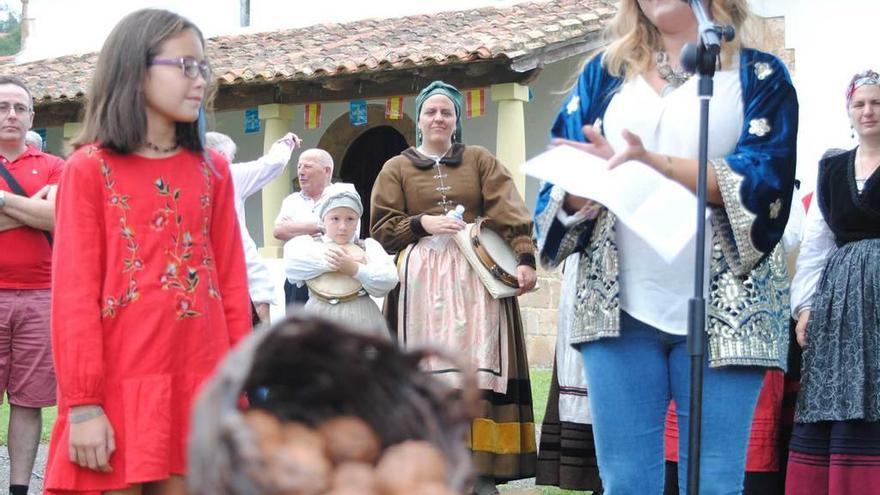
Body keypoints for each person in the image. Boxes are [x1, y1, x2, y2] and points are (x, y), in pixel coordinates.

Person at [533, 0, 799, 493]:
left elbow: (768, 183)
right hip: (618, 311)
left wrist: (655, 162)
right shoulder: (605, 75)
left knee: (714, 482)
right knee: (627, 483)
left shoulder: (761, 75)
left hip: (728, 313)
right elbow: (555, 187)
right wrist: (579, 189)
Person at [44, 9, 251, 495]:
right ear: (135, 70)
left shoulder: (214, 171)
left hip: (200, 384)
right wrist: (84, 405)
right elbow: (73, 296)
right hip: (115, 390)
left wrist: (235, 390)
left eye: (204, 68)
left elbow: (234, 291)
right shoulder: (87, 170)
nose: (199, 80)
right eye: (185, 66)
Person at [370, 80, 538, 495]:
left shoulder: (479, 160)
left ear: (456, 120)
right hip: (420, 288)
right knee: (425, 375)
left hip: (475, 281)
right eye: (431, 111)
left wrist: (524, 257)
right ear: (420, 119)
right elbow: (380, 228)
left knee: (478, 373)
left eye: (447, 112)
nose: (439, 118)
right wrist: (421, 223)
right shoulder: (397, 168)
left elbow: (508, 209)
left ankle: (479, 472)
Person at [786, 70, 880, 495]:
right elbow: (816, 244)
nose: (868, 111)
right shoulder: (831, 168)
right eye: (860, 104)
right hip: (839, 301)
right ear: (849, 111)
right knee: (837, 390)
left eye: (876, 103)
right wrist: (805, 306)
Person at [0, 75, 63, 495]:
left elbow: (61, 219)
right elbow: (43, 214)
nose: (11, 115)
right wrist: (31, 208)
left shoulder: (57, 166)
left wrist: (3, 201)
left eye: (20, 108)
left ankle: (20, 490)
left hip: (43, 297)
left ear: (31, 117)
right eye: (4, 107)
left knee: (29, 401)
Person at [205, 130, 301, 324]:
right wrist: (287, 142)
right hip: (237, 270)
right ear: (222, 156)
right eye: (230, 158)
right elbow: (272, 164)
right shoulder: (229, 175)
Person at [284, 183, 397, 335]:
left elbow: (389, 278)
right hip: (319, 319)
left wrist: (355, 269)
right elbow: (293, 266)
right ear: (323, 219)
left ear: (358, 221)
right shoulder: (309, 245)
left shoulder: (368, 247)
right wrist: (341, 262)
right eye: (335, 218)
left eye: (350, 219)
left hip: (361, 319)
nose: (343, 226)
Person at [274, 148, 334, 307]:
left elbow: (342, 235)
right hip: (297, 282)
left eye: (307, 167)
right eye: (299, 167)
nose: (300, 172)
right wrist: (317, 226)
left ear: (326, 171)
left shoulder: (340, 197)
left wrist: (295, 228)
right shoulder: (292, 201)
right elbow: (279, 231)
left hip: (333, 280)